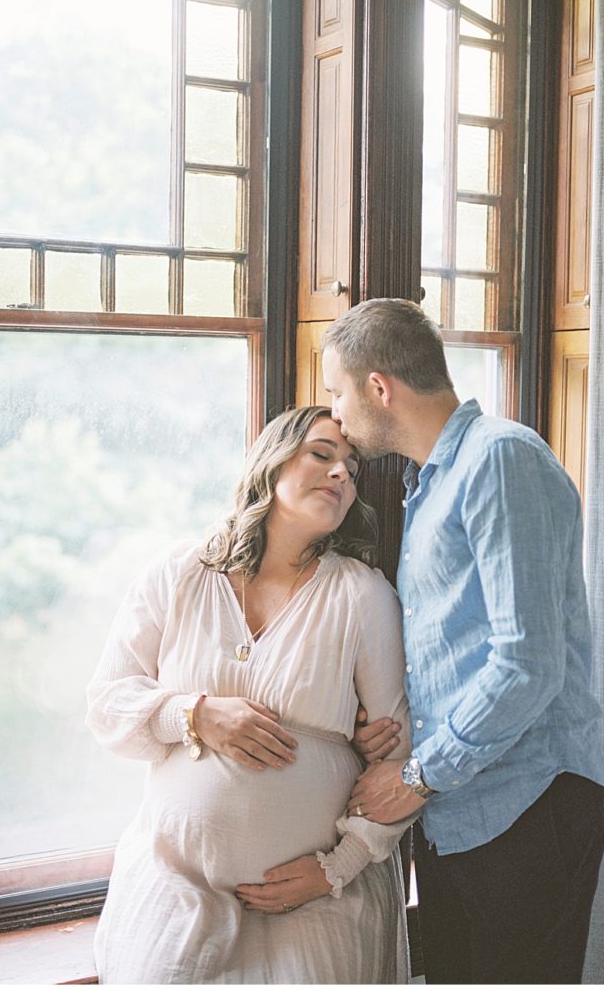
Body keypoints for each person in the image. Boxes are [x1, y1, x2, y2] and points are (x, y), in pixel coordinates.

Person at [321, 298, 604, 985]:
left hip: (527, 808)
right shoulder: (429, 484)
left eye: (337, 393)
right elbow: (454, 654)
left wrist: (418, 777)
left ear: (378, 387)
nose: (334, 413)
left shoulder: (500, 460)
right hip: (459, 812)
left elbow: (525, 665)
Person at [85, 405, 414, 984]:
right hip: (177, 883)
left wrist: (339, 867)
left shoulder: (362, 596)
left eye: (353, 467)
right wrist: (193, 713)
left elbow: (398, 754)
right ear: (271, 461)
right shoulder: (180, 572)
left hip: (315, 898)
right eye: (322, 454)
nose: (342, 474)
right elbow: (108, 703)